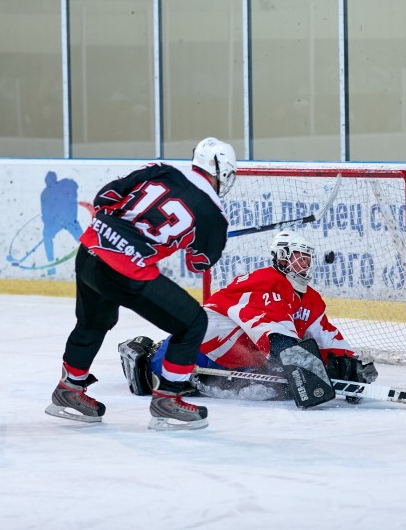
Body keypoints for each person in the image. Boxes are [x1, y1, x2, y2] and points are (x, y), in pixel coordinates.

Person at [45, 137, 236, 431]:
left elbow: (104, 197)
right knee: (193, 322)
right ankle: (168, 399)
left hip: (89, 252)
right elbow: (198, 263)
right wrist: (188, 240)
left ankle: (69, 389)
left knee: (94, 323)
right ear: (224, 172)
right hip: (124, 270)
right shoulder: (215, 215)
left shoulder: (161, 169)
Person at [119, 230, 378, 406]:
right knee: (157, 374)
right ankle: (148, 357)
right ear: (283, 257)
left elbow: (325, 333)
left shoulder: (309, 298)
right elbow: (271, 329)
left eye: (308, 259)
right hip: (202, 343)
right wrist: (302, 363)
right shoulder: (267, 281)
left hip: (237, 353)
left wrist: (348, 362)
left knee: (277, 384)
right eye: (300, 257)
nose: (305, 264)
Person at [40, 171, 82, 275]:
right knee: (46, 235)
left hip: (70, 220)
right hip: (56, 222)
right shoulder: (45, 193)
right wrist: (49, 223)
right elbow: (45, 213)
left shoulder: (65, 184)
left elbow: (74, 186)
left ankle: (93, 260)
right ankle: (51, 265)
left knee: (84, 240)